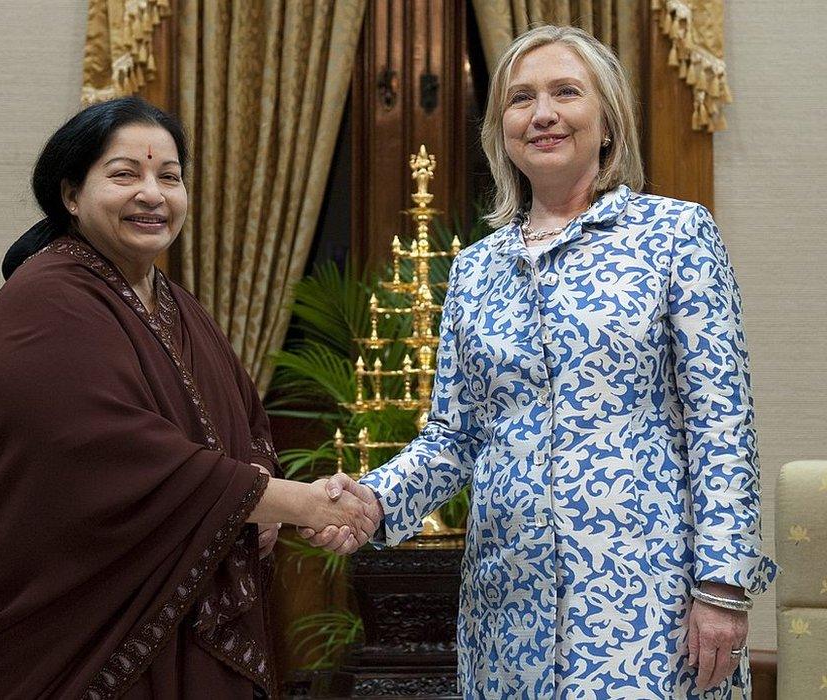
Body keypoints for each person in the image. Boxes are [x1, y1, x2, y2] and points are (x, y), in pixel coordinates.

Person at [304, 25, 777, 699]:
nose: (543, 113)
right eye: (521, 99)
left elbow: (722, 423)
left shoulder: (677, 235)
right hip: (507, 608)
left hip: (647, 600)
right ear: (502, 129)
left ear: (607, 118)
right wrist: (371, 503)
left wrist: (723, 587)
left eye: (565, 92)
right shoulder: (474, 269)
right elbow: (451, 441)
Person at [0, 96, 378, 699]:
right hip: (72, 628)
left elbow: (245, 425)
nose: (153, 194)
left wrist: (260, 504)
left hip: (173, 608)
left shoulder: (176, 306)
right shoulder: (47, 301)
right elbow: (110, 455)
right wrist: (301, 504)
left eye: (170, 177)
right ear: (71, 195)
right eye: (124, 174)